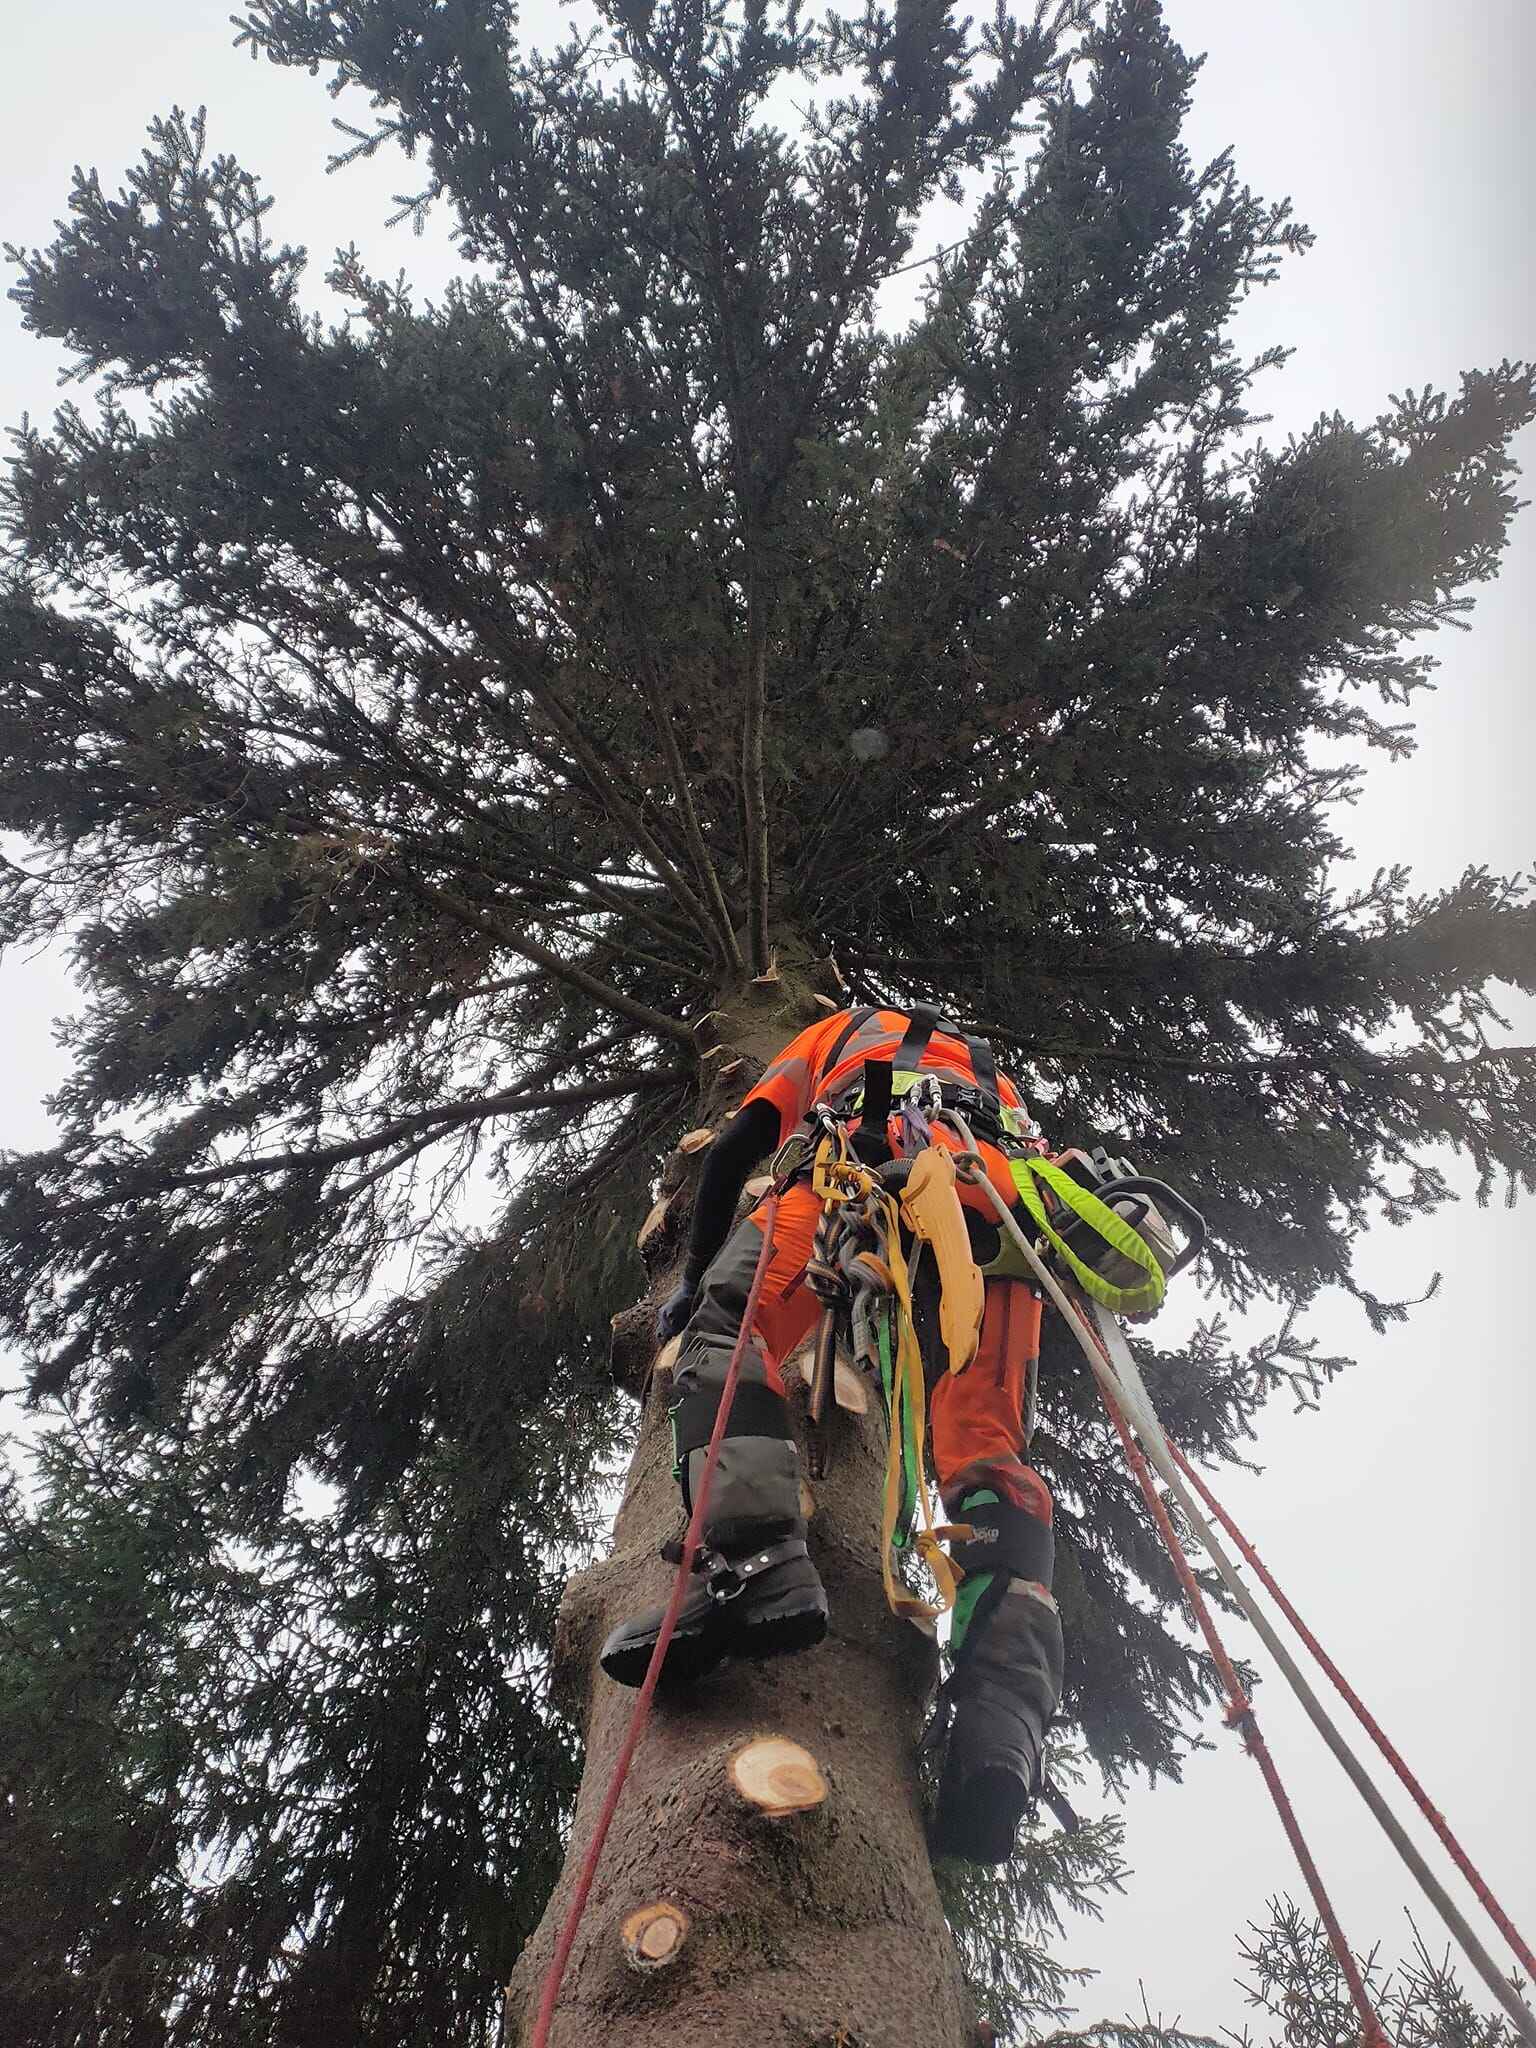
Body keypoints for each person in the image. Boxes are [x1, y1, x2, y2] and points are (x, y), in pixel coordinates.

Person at [600, 1004, 1065, 1865]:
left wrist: (697, 1273)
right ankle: (1001, 1727)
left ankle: (755, 1560)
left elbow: (739, 1146)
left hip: (859, 1160)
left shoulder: (838, 1033)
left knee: (724, 1333)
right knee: (988, 1453)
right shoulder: (990, 1067)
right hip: (996, 1195)